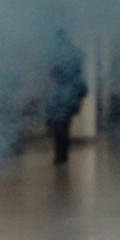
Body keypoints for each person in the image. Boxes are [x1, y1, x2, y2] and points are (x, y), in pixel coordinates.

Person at [45, 29, 88, 164]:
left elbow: (56, 71)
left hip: (62, 94)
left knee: (59, 125)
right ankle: (62, 154)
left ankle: (60, 155)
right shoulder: (75, 52)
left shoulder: (58, 54)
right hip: (69, 95)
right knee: (63, 125)